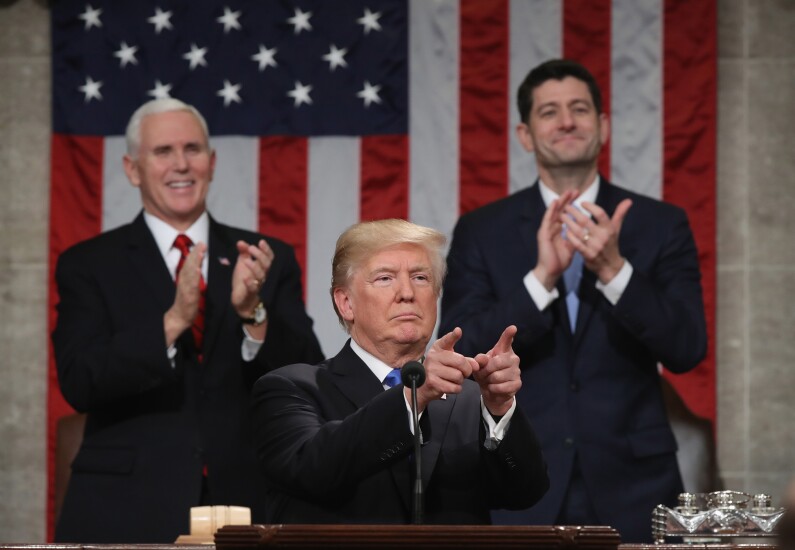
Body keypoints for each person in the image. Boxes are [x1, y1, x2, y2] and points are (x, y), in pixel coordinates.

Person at [439, 59, 707, 542]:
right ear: (525, 134)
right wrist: (541, 279)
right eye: (550, 112)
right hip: (519, 478)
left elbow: (687, 348)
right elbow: (461, 350)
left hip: (636, 485)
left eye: (579, 109)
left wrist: (614, 270)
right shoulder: (483, 230)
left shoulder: (660, 223)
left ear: (603, 126)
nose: (566, 121)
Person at [52, 98, 323, 543]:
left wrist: (252, 313)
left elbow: (308, 377)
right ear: (132, 168)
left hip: (247, 499)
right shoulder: (88, 264)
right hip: (125, 504)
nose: (181, 164)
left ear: (212, 163)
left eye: (193, 149)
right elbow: (80, 381)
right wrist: (173, 322)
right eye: (163, 152)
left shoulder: (260, 257)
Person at [250, 219, 549, 524]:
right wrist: (412, 399)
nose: (407, 292)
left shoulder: (472, 400)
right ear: (346, 303)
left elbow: (524, 492)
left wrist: (499, 409)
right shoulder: (290, 388)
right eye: (385, 278)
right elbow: (314, 470)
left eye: (420, 277)